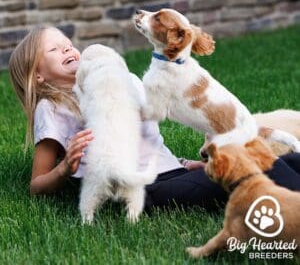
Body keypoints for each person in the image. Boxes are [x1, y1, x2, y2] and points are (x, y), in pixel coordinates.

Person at [8, 25, 300, 214]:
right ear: (38, 74)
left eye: (69, 44)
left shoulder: (119, 82)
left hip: (173, 173)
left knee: (278, 161)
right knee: (247, 170)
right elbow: (37, 185)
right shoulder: (53, 107)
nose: (68, 50)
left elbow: (150, 145)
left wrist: (188, 165)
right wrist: (63, 168)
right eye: (55, 49)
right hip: (148, 189)